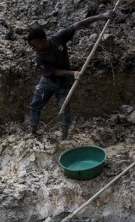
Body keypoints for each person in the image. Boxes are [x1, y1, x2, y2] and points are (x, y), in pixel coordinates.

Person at [26, 9, 114, 139]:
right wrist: (73, 73)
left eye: (35, 45)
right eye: (31, 47)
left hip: (64, 84)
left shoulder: (58, 38)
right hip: (48, 82)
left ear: (43, 40)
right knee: (35, 104)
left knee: (64, 109)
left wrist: (102, 16)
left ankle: (64, 138)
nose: (34, 49)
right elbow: (56, 72)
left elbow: (79, 25)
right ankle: (33, 133)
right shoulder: (39, 58)